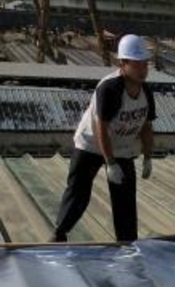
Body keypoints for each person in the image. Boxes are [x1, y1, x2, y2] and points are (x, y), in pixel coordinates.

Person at [51, 34, 155, 243]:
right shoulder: (110, 88)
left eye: (145, 64)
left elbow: (146, 127)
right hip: (91, 143)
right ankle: (59, 234)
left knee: (125, 199)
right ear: (122, 64)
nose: (142, 70)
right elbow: (102, 128)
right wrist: (110, 163)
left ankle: (127, 243)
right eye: (137, 64)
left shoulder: (146, 92)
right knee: (79, 190)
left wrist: (148, 157)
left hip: (122, 148)